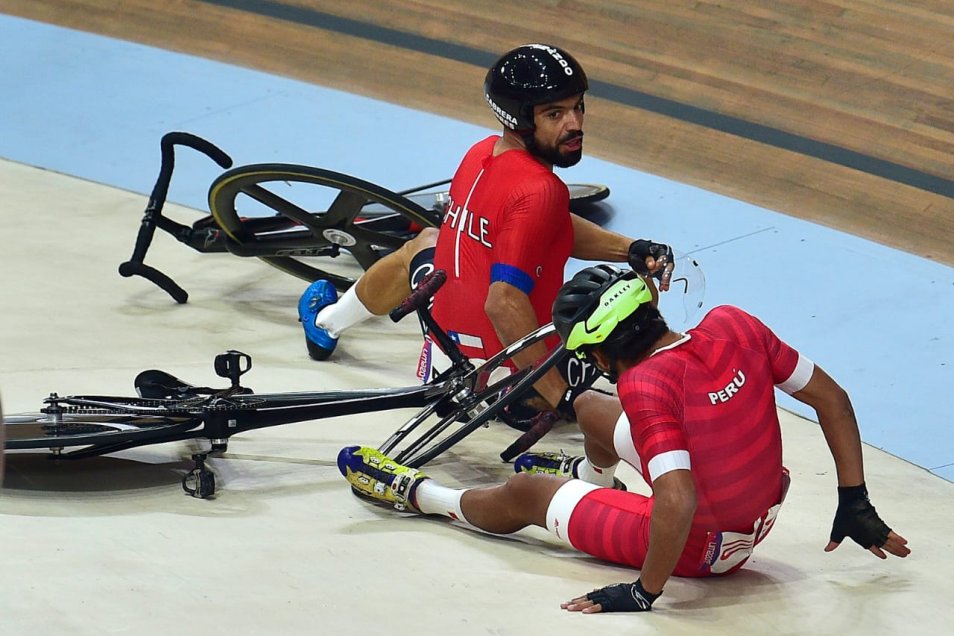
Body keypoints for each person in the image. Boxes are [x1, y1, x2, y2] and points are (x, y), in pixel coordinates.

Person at [336, 264, 910, 612]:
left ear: (603, 349)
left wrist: (645, 592)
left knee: (526, 494)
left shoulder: (646, 383)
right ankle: (590, 486)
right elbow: (831, 399)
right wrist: (854, 501)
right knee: (588, 408)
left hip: (702, 547)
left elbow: (678, 497)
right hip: (758, 508)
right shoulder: (734, 323)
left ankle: (417, 495)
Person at [298, 43, 675, 422]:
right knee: (625, 294)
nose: (574, 123)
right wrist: (563, 400)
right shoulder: (540, 189)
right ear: (522, 120)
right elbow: (503, 302)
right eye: (555, 114)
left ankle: (326, 322)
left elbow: (548, 224)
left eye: (577, 106)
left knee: (426, 242)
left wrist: (629, 247)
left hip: (450, 362)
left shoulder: (481, 154)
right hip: (514, 383)